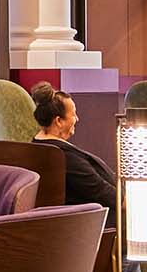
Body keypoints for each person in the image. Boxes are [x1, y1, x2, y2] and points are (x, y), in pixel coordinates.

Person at [30, 82, 115, 210]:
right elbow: (101, 191)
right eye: (73, 114)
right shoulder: (62, 156)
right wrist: (137, 204)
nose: (77, 118)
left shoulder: (38, 146)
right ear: (59, 121)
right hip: (96, 219)